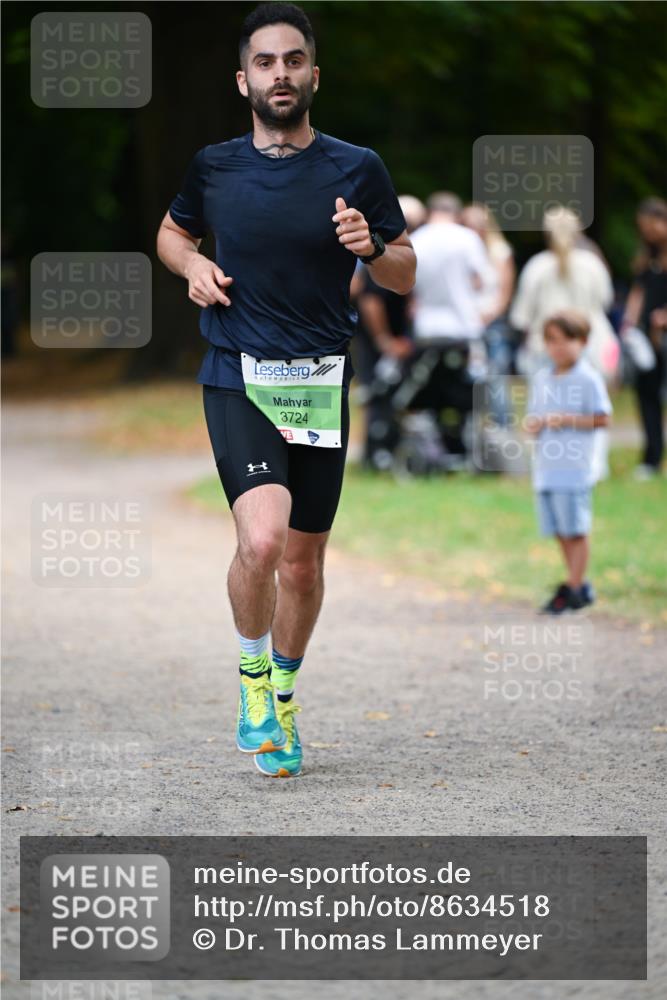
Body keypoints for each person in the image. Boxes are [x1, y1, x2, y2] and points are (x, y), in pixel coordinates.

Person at [156, 2, 415, 777]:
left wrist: (372, 248)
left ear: (312, 75)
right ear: (243, 80)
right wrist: (193, 267)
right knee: (261, 541)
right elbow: (173, 233)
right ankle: (250, 681)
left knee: (302, 563)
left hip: (318, 379)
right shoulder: (214, 165)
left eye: (293, 60)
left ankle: (287, 700)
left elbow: (404, 269)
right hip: (238, 372)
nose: (280, 73)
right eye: (265, 62)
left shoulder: (355, 167)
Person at [510, 205, 618, 481]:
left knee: (544, 408)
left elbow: (521, 316)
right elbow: (605, 301)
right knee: (592, 405)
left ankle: (545, 463)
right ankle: (595, 466)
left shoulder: (537, 267)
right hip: (592, 344)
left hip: (545, 346)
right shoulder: (593, 264)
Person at [525, 310, 612, 614]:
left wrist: (568, 420)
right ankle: (577, 583)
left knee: (576, 528)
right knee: (558, 528)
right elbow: (534, 416)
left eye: (566, 340)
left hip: (574, 468)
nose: (559, 347)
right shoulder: (542, 378)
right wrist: (534, 425)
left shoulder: (588, 378)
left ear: (583, 342)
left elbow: (603, 418)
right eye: (552, 341)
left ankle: (575, 587)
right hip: (547, 468)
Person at [401, 191, 492, 462]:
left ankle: (434, 450)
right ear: (455, 213)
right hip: (463, 327)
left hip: (428, 328)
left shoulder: (417, 239)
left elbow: (409, 286)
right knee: (467, 393)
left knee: (431, 392)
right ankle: (466, 449)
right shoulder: (467, 239)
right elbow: (482, 280)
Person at [354, 194, 426, 468]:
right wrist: (385, 341)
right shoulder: (383, 251)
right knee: (377, 393)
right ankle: (375, 455)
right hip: (378, 339)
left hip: (400, 338)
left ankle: (394, 450)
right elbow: (370, 300)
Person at [621, 197, 667, 479]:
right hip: (647, 340)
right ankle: (652, 457)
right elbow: (638, 293)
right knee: (647, 396)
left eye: (652, 225)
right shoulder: (647, 259)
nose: (648, 232)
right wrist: (629, 322)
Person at [460, 203, 515, 427]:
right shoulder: (461, 251)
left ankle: (503, 431)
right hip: (466, 324)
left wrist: (488, 316)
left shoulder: (500, 252)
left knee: (496, 379)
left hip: (492, 325)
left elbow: (504, 292)